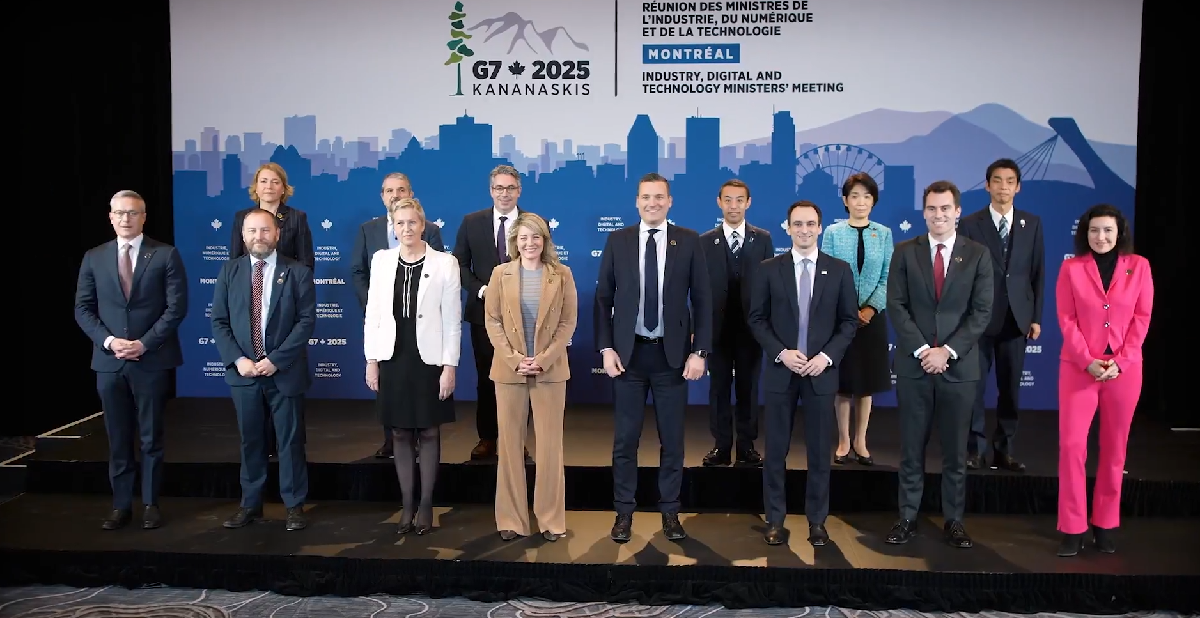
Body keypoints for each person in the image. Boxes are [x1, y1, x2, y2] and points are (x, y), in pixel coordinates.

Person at [595, 172, 712, 543]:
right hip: (628, 357)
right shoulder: (618, 240)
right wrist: (606, 347)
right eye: (646, 197)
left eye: (659, 197)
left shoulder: (689, 241)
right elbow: (603, 300)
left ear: (670, 201)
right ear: (637, 201)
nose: (653, 203)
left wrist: (700, 351)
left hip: (672, 358)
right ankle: (623, 513)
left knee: (672, 441)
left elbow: (705, 300)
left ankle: (670, 512)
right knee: (625, 441)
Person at [885, 181, 993, 549]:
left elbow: (981, 313)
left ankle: (954, 520)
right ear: (924, 212)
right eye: (931, 208)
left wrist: (946, 351)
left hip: (958, 370)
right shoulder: (904, 252)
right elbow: (896, 306)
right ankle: (907, 517)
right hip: (915, 368)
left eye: (945, 208)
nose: (938, 215)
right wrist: (921, 351)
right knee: (911, 450)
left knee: (955, 453)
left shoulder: (977, 254)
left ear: (958, 211)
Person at [74, 190, 188, 530]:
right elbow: (83, 308)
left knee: (151, 437)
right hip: (109, 363)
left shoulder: (165, 255)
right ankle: (121, 505)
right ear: (110, 216)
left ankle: (151, 503)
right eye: (120, 213)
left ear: (143, 217)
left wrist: (144, 343)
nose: (126, 218)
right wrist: (110, 341)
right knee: (118, 436)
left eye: (133, 213)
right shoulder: (94, 257)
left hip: (150, 360)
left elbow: (176, 307)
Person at [747, 200, 858, 546]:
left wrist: (826, 357)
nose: (805, 230)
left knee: (819, 453)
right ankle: (775, 520)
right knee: (776, 450)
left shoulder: (839, 270)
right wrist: (781, 353)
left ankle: (817, 522)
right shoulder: (768, 269)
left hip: (821, 374)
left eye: (811, 224)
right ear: (787, 228)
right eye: (798, 224)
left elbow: (849, 321)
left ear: (820, 227)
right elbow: (757, 318)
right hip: (782, 373)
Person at [1055, 204, 1152, 557]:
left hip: (1124, 372)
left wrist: (1121, 362)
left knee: (1114, 450)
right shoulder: (1071, 268)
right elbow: (1066, 320)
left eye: (1108, 230)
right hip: (1080, 369)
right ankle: (1073, 526)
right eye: (1094, 230)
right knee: (1071, 448)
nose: (1101, 237)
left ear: (1119, 232)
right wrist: (1088, 361)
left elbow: (1142, 319)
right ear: (1085, 234)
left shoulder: (1139, 267)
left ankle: (1106, 523)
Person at [210, 208, 316, 531]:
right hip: (244, 374)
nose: (259, 236)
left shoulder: (296, 272)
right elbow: (219, 321)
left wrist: (276, 360)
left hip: (284, 372)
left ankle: (294, 506)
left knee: (290, 441)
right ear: (243, 236)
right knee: (251, 441)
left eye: (265, 230)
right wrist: (239, 360)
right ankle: (250, 504)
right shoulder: (229, 271)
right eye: (252, 231)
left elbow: (306, 321)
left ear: (277, 234)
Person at [364, 197, 461, 536]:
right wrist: (371, 360)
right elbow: (373, 315)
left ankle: (426, 504)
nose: (406, 229)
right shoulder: (381, 260)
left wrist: (450, 366)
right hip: (393, 356)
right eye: (400, 223)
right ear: (393, 227)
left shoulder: (446, 263)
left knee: (430, 431)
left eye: (412, 223)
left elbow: (452, 321)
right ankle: (406, 505)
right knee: (401, 433)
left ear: (424, 226)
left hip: (429, 359)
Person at [484, 213, 578, 542]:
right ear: (514, 242)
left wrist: (544, 359)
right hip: (510, 373)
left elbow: (568, 322)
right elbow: (492, 321)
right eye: (523, 238)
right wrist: (514, 360)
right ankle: (511, 519)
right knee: (509, 447)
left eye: (535, 237)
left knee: (551, 448)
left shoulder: (562, 274)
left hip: (550, 372)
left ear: (545, 240)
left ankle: (551, 520)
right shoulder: (500, 274)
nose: (529, 243)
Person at [350, 172, 445, 458]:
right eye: (389, 190)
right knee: (387, 383)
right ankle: (392, 440)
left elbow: (440, 275)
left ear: (411, 193)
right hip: (383, 322)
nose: (395, 195)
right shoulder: (369, 230)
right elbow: (358, 271)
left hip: (420, 323)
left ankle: (420, 439)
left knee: (418, 384)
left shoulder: (430, 229)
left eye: (401, 189)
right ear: (382, 196)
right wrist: (375, 306)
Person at [959, 158, 1045, 473]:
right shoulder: (970, 223)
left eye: (1010, 181)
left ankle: (1005, 450)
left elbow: (1037, 273)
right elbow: (963, 274)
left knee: (1010, 391)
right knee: (975, 389)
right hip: (979, 321)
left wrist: (1035, 317)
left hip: (1016, 320)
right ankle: (975, 450)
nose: (1003, 187)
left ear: (1018, 187)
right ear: (987, 185)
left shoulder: (1032, 223)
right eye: (997, 180)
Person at [228, 163, 315, 460]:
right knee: (251, 429)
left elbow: (307, 261)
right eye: (263, 181)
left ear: (283, 186)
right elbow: (234, 264)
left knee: (289, 420)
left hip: (286, 304)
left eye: (274, 181)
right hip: (251, 306)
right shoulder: (242, 218)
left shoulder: (297, 217)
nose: (268, 186)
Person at [453, 165, 529, 462]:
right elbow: (459, 265)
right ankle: (487, 438)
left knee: (521, 379)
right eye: (499, 188)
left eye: (510, 188)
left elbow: (545, 265)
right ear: (491, 190)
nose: (505, 193)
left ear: (519, 190)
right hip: (483, 314)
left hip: (524, 316)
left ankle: (517, 439)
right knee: (487, 377)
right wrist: (482, 290)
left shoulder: (533, 223)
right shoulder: (472, 223)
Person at [819, 173, 893, 466]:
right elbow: (826, 275)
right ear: (845, 200)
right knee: (844, 384)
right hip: (841, 318)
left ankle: (861, 441)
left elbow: (887, 277)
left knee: (866, 384)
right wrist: (849, 311)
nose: (860, 202)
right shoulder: (834, 233)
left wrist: (871, 309)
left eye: (866, 196)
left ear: (873, 201)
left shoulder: (884, 233)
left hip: (872, 320)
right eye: (854, 196)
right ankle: (843, 441)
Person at [699, 179, 773, 468]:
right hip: (716, 329)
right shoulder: (705, 241)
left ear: (748, 203)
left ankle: (746, 446)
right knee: (718, 388)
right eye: (728, 200)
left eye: (739, 200)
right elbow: (698, 289)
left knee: (748, 387)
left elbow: (770, 285)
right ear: (719, 202)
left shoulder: (763, 239)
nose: (733, 206)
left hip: (752, 329)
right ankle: (721, 446)